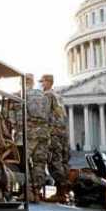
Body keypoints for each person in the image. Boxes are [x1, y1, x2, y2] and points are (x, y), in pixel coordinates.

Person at [41, 74, 70, 204]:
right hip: (63, 132)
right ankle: (63, 192)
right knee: (63, 161)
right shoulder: (59, 96)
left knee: (54, 161)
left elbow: (44, 114)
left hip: (53, 132)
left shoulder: (48, 95)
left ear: (48, 82)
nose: (42, 84)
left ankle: (61, 192)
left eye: (43, 82)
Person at [23, 73, 50, 202]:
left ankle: (27, 191)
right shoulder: (43, 95)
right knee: (39, 163)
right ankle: (37, 192)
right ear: (33, 82)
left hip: (29, 133)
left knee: (24, 160)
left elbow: (16, 117)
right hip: (43, 133)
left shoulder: (22, 94)